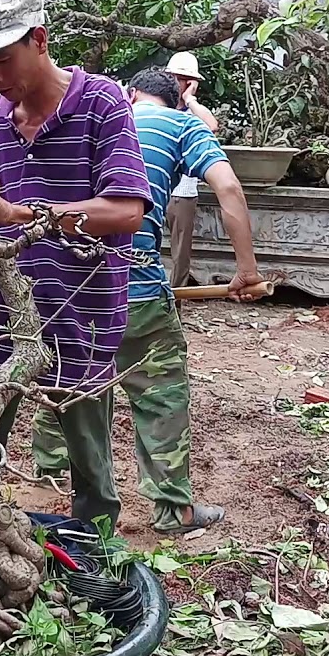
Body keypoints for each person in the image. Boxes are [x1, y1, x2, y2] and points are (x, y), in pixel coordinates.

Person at [0, 0, 152, 527]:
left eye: (3, 59)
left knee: (86, 441)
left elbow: (126, 212)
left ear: (40, 39)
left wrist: (22, 215)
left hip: (84, 302)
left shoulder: (100, 103)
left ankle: (97, 550)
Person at [32, 69, 265, 534]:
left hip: (60, 284)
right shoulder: (182, 126)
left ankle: (49, 471)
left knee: (66, 376)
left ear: (132, 94)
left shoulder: (82, 116)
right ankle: (172, 509)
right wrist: (248, 271)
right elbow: (229, 188)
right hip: (132, 285)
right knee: (160, 395)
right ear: (175, 99)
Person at [164, 51, 220, 288]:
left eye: (182, 79)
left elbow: (212, 126)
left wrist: (190, 99)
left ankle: (174, 300)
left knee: (180, 253)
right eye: (175, 78)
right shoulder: (158, 106)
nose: (177, 84)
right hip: (156, 188)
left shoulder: (193, 113)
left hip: (183, 194)